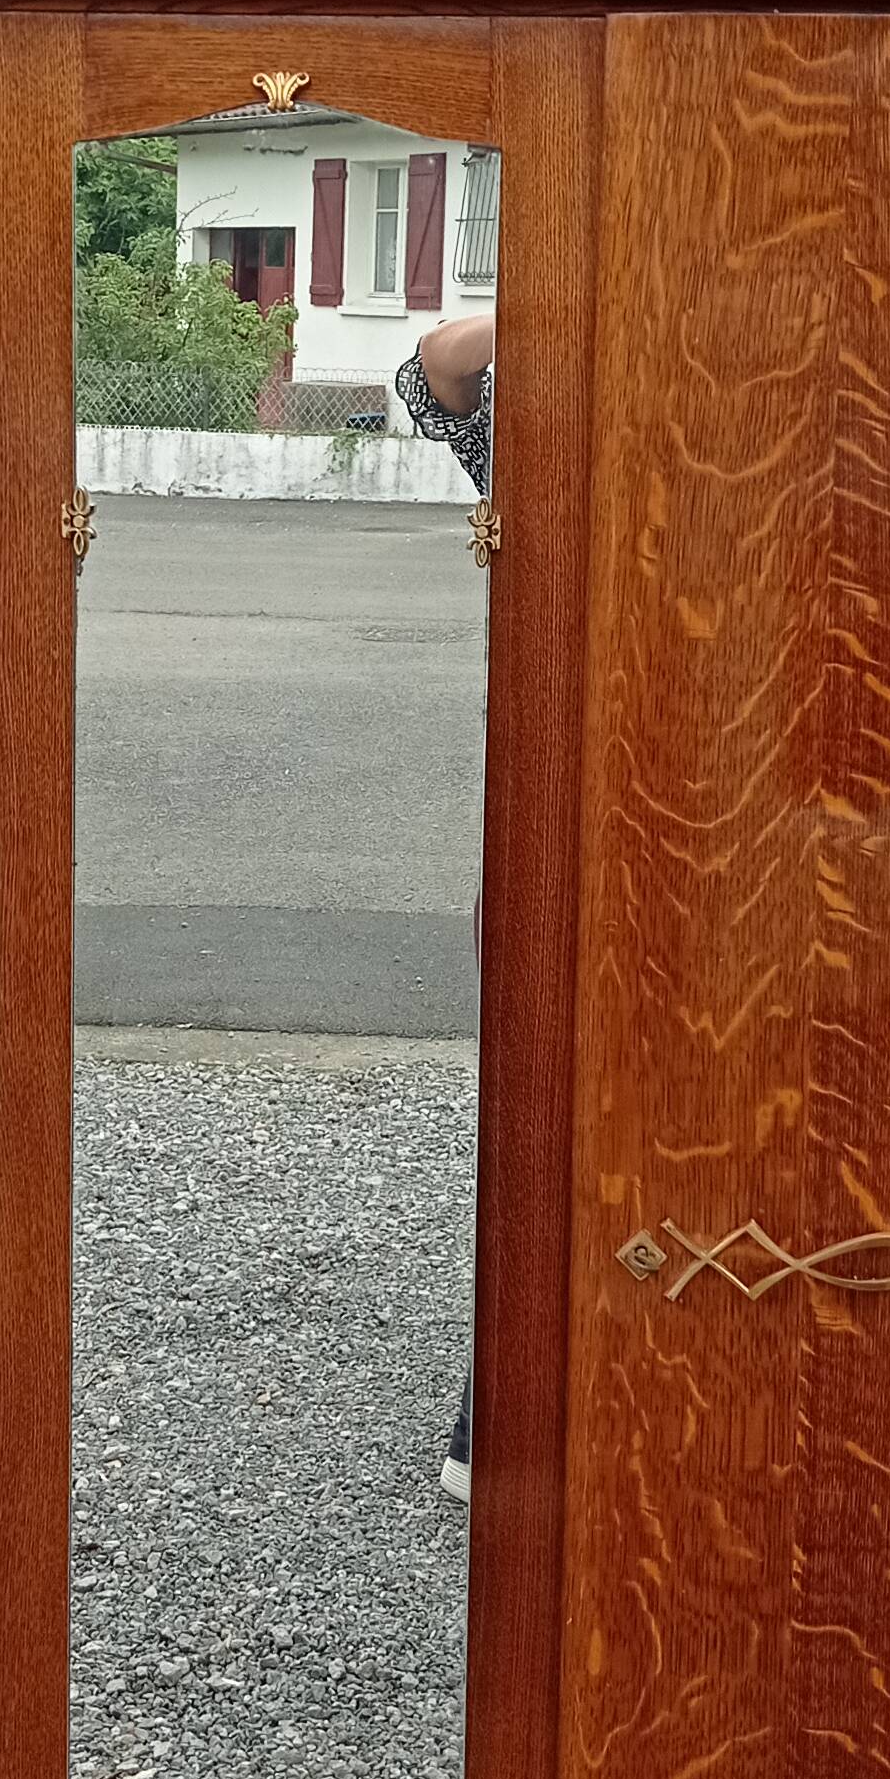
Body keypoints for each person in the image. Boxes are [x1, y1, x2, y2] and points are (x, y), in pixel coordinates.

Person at [395, 314, 494, 1507]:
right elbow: (432, 366)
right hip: (551, 811)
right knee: (529, 1122)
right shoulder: (544, 434)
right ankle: (485, 1416)